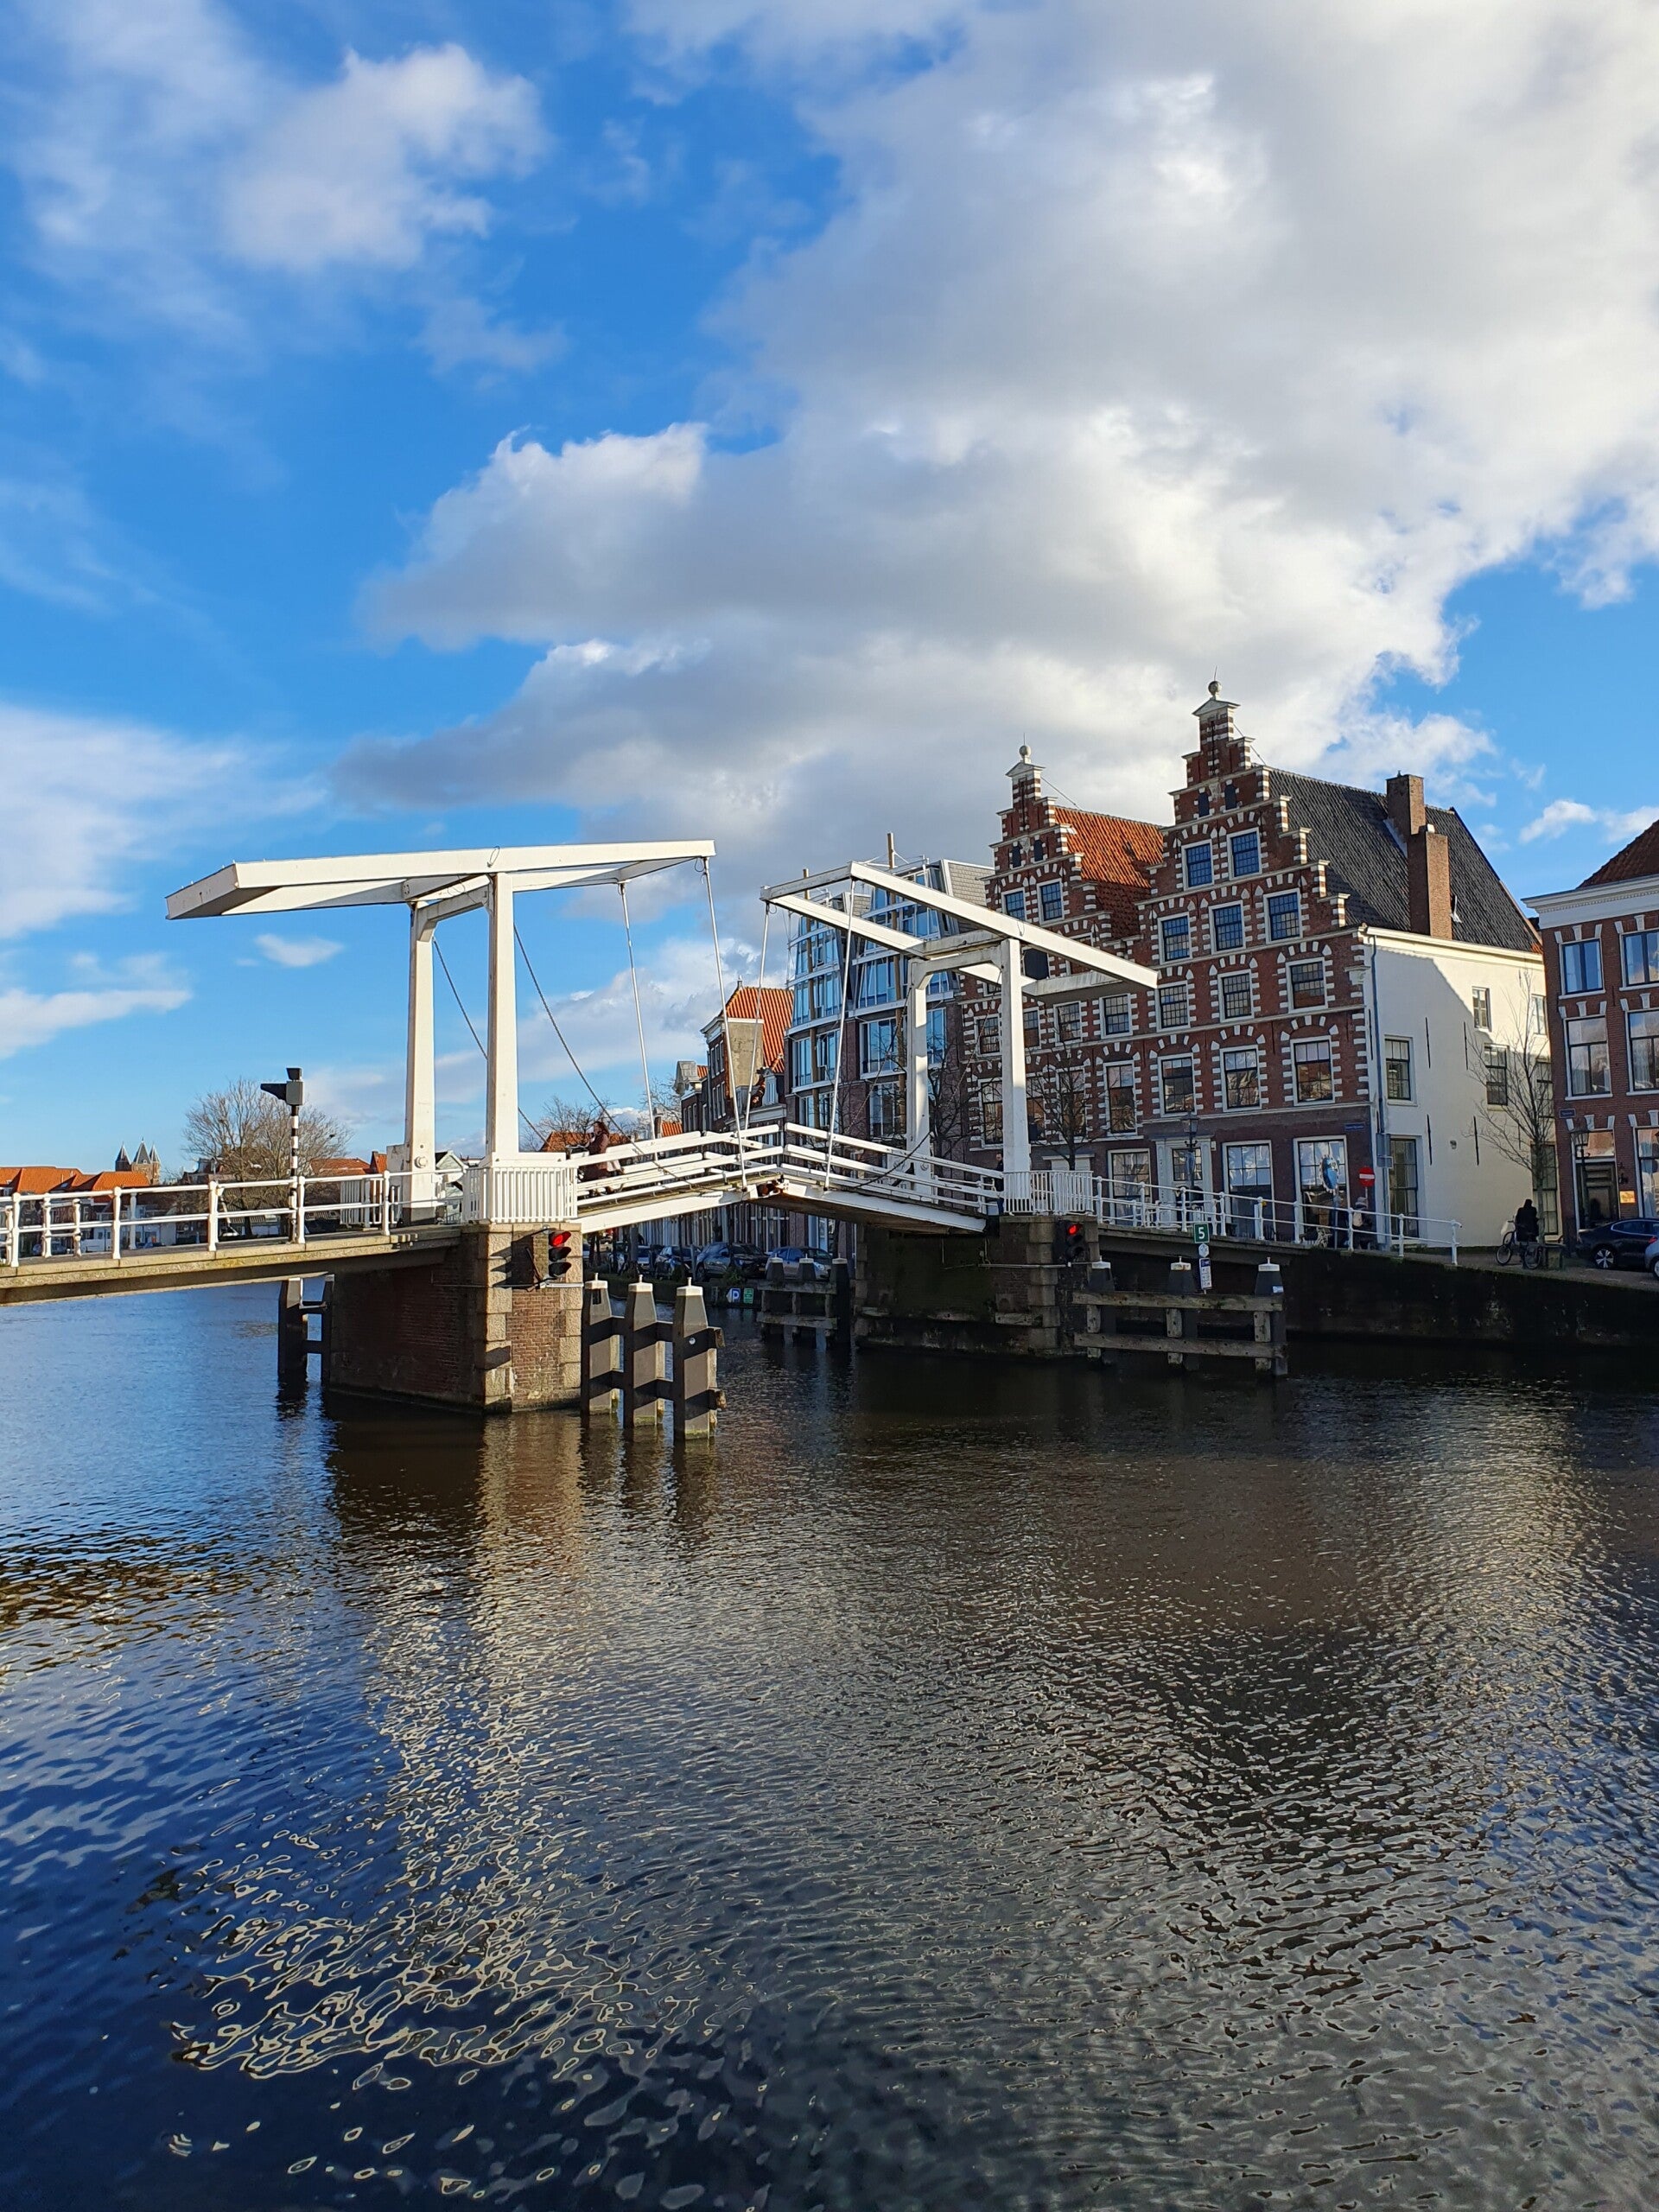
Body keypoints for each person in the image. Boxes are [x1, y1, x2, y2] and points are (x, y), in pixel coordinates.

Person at [1515, 1195, 1541, 1265]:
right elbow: (1534, 1218)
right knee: (1533, 1243)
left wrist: (1518, 1227)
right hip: (1532, 1231)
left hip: (1522, 1232)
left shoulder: (1520, 1210)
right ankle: (1533, 1257)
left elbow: (1517, 1219)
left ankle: (1523, 1258)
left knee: (1522, 1245)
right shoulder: (1533, 1210)